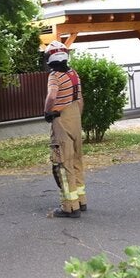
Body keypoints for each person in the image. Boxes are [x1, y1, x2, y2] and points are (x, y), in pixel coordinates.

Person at [43, 40, 86, 218]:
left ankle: (69, 207)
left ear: (51, 58)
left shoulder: (55, 76)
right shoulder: (73, 74)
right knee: (76, 160)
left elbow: (52, 95)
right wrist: (77, 117)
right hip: (75, 118)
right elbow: (80, 100)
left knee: (63, 163)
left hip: (61, 120)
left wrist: (47, 111)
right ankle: (81, 201)